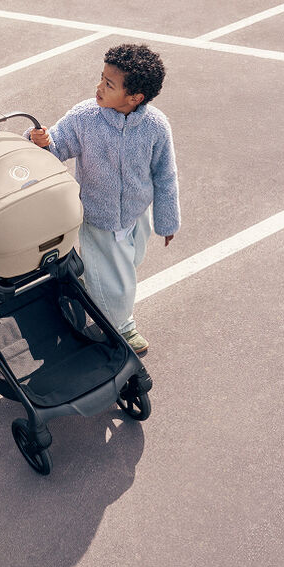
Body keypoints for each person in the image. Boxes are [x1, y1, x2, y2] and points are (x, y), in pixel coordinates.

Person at [26, 43, 180, 355]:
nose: (99, 87)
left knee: (128, 263)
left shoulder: (155, 126)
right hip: (98, 217)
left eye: (109, 84)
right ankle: (122, 327)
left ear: (135, 97)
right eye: (101, 79)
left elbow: (166, 175)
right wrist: (39, 141)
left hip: (137, 214)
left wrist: (167, 220)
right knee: (118, 281)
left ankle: (88, 281)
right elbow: (55, 147)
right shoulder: (85, 118)